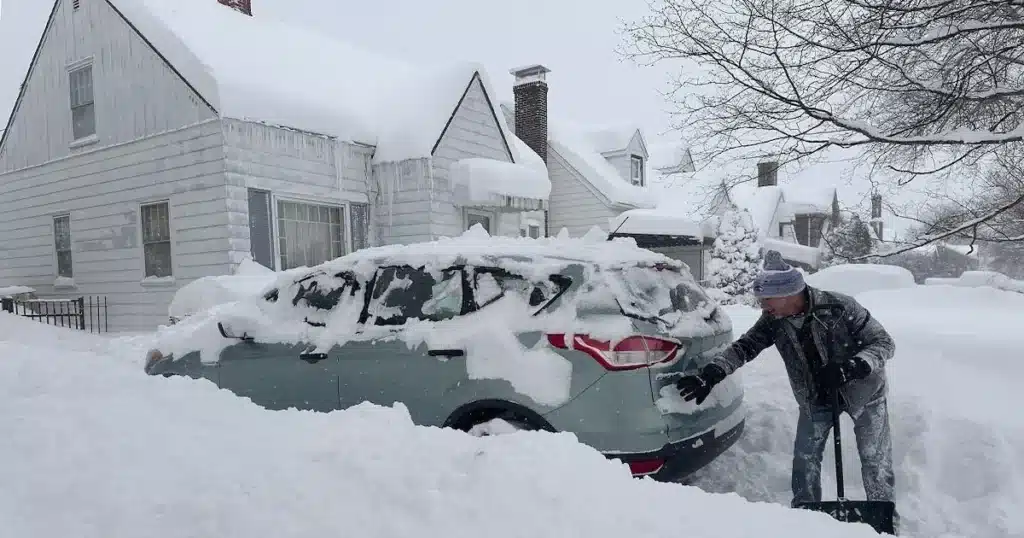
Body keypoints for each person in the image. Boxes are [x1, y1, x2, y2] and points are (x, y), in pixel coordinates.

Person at [676, 250, 896, 508]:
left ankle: (883, 515)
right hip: (815, 396)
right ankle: (804, 512)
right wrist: (712, 374)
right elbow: (745, 346)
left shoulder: (839, 307)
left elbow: (884, 343)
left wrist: (854, 366)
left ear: (789, 294)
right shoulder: (774, 319)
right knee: (805, 460)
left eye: (767, 299)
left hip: (864, 392)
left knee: (875, 459)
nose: (763, 306)